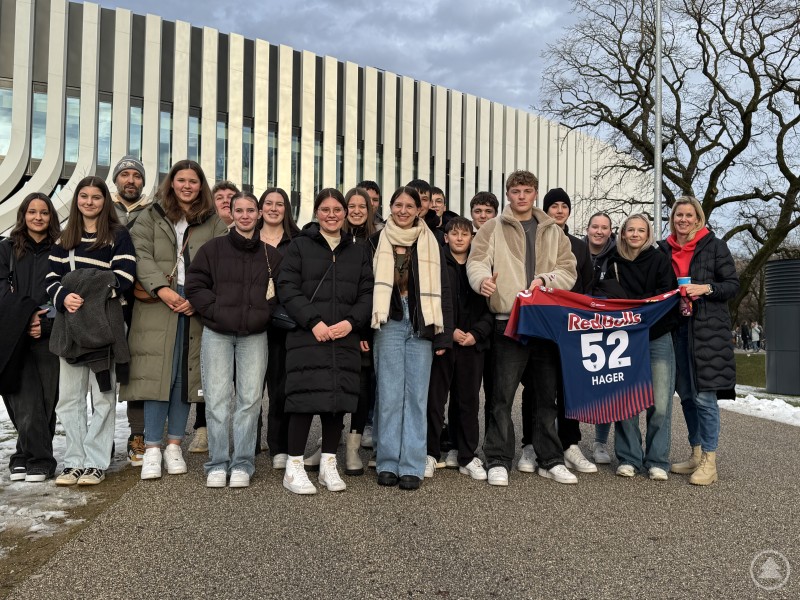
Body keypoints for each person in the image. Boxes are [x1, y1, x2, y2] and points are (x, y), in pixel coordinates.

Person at [467, 170, 577, 486]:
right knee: (501, 396)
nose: (521, 196)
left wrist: (546, 280)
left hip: (543, 321)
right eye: (516, 191)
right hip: (507, 321)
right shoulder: (491, 228)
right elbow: (476, 261)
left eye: (527, 190)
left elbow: (568, 270)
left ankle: (550, 459)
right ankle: (499, 459)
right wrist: (481, 280)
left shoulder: (554, 231)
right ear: (508, 194)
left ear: (534, 193)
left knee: (546, 396)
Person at [122, 160, 228, 481]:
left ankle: (174, 445)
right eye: (180, 180)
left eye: (193, 181)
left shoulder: (214, 222)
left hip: (195, 304)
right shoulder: (150, 216)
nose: (186, 186)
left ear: (201, 186)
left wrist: (199, 298)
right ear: (171, 184)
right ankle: (152, 447)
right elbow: (140, 255)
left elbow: (222, 264)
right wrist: (163, 290)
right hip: (157, 302)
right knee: (158, 376)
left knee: (186, 377)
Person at [278, 188, 374, 495]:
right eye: (325, 209)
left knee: (337, 402)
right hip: (308, 336)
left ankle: (328, 464)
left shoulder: (358, 250)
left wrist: (350, 322)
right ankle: (293, 468)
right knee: (303, 400)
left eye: (337, 209)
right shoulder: (299, 246)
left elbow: (368, 292)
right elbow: (287, 288)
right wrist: (313, 322)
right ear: (316, 212)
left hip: (344, 337)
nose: (331, 215)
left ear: (346, 214)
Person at [185, 192, 283, 488]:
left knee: (250, 401)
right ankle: (217, 463)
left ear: (259, 214)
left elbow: (281, 295)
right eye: (238, 210)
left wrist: (263, 315)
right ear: (231, 213)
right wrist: (215, 311)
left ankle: (242, 462)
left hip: (254, 335)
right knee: (216, 400)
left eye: (250, 210)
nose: (244, 215)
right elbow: (195, 284)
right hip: (217, 333)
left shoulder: (271, 255)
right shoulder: (212, 249)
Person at [46, 177, 136, 486]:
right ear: (77, 201)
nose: (89, 202)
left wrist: (84, 286)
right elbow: (52, 278)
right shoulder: (64, 238)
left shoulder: (118, 236)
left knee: (103, 397)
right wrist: (63, 295)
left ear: (104, 201)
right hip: (69, 326)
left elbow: (123, 277)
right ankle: (73, 462)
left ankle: (96, 461)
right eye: (83, 196)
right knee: (70, 399)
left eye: (95, 197)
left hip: (104, 326)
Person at [371, 186, 453, 490]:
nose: (403, 210)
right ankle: (388, 462)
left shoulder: (430, 242)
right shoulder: (376, 240)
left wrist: (442, 337)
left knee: (417, 396)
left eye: (410, 205)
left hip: (423, 322)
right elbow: (367, 288)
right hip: (389, 320)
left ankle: (411, 464)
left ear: (420, 209)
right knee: (390, 394)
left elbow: (444, 290)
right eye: (398, 205)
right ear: (391, 207)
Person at [659, 196, 739, 485]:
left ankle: (710, 460)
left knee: (705, 396)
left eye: (689, 215)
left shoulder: (715, 246)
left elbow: (732, 285)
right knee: (687, 396)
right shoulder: (663, 248)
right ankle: (695, 452)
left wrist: (704, 288)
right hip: (676, 329)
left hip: (706, 331)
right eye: (678, 214)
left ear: (698, 218)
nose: (683, 219)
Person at [517, 188, 597, 474]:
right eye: (554, 206)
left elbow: (586, 288)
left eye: (564, 206)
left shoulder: (579, 246)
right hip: (540, 325)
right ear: (546, 210)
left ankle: (569, 442)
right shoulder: (536, 240)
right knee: (537, 387)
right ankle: (530, 442)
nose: (559, 211)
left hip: (571, 329)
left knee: (568, 386)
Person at [605, 214, 678, 480]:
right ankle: (629, 457)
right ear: (622, 233)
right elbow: (607, 298)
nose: (635, 234)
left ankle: (658, 459)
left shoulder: (659, 260)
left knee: (659, 403)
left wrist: (635, 305)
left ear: (648, 235)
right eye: (630, 230)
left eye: (641, 230)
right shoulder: (612, 262)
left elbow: (666, 296)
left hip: (657, 336)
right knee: (626, 401)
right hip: (624, 339)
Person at [0, 194, 61, 482]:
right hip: (15, 331)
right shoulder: (6, 249)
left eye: (44, 213)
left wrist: (41, 318)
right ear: (23, 214)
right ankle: (40, 459)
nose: (38, 217)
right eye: (32, 212)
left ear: (51, 217)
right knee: (23, 397)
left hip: (50, 329)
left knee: (47, 399)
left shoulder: (60, 249)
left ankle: (23, 454)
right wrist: (27, 317)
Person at [426, 217, 492, 480]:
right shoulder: (437, 264)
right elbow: (430, 302)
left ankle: (467, 455)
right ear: (446, 237)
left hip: (471, 344)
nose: (460, 238)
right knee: (435, 400)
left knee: (468, 401)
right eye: (455, 234)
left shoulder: (481, 266)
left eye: (465, 234)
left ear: (472, 238)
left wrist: (477, 334)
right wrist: (448, 330)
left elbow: (492, 308)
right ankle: (430, 453)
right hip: (444, 340)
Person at [186, 180, 241, 454]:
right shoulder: (202, 232)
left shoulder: (248, 233)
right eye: (220, 197)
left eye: (231, 197)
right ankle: (202, 430)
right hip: (209, 313)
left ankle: (248, 437)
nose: (225, 201)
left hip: (242, 318)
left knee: (244, 382)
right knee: (208, 376)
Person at [111, 155, 152, 467]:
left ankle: (137, 433)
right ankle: (97, 439)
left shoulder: (152, 212)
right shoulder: (101, 208)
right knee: (101, 371)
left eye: (136, 176)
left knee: (135, 368)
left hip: (141, 299)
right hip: (105, 300)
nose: (130, 181)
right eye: (125, 175)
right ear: (116, 180)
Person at [259, 187, 302, 469]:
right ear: (261, 208)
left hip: (285, 324)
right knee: (249, 389)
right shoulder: (246, 237)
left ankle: (279, 446)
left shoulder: (297, 241)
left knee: (280, 386)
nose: (274, 208)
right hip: (249, 321)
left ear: (286, 209)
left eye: (280, 204)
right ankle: (248, 441)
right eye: (269, 203)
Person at [339, 187, 378, 475]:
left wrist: (363, 330)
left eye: (361, 206)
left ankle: (353, 447)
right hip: (337, 324)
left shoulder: (377, 240)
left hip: (365, 325)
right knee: (336, 383)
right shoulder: (333, 238)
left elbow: (372, 289)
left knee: (363, 386)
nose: (355, 210)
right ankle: (330, 441)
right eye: (350, 205)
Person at [584, 212, 618, 465]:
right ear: (587, 229)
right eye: (595, 226)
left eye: (604, 227)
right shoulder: (573, 250)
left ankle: (600, 442)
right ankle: (566, 441)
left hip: (608, 327)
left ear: (610, 231)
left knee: (606, 385)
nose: (599, 231)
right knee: (570, 384)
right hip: (578, 324)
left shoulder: (618, 256)